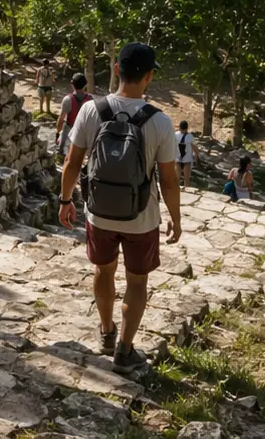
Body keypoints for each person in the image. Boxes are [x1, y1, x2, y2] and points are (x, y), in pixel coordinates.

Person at [60, 43, 181, 375]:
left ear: (116, 69)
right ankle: (126, 351)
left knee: (103, 271)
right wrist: (175, 218)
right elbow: (169, 181)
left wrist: (65, 200)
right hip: (142, 217)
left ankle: (106, 331)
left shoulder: (91, 110)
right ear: (150, 76)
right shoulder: (160, 122)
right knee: (137, 282)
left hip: (99, 212)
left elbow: (72, 162)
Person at [55, 75, 92, 161]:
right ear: (86, 85)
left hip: (69, 131)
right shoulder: (90, 100)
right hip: (83, 133)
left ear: (72, 85)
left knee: (63, 155)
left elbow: (61, 120)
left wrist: (57, 133)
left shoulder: (68, 99)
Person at [174, 121, 198, 189]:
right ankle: (176, 191)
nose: (183, 131)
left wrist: (196, 156)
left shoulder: (190, 137)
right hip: (178, 159)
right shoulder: (175, 135)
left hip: (187, 160)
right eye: (182, 129)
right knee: (177, 178)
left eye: (184, 130)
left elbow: (195, 147)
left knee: (186, 179)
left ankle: (186, 190)